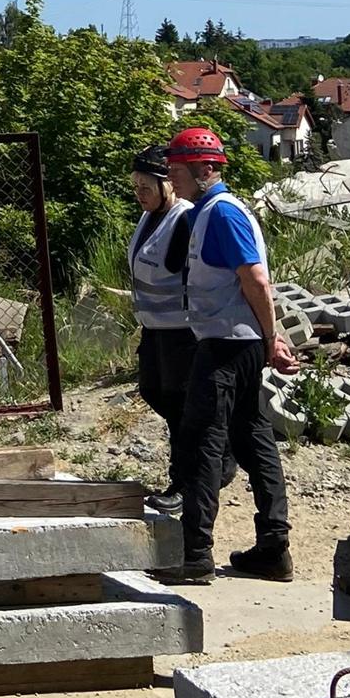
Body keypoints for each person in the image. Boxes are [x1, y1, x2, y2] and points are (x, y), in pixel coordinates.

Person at [162, 127, 300, 585]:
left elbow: (255, 279)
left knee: (201, 443)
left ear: (205, 169)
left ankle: (195, 555)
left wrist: (271, 338)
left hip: (226, 346)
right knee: (252, 439)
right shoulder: (206, 211)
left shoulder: (222, 212)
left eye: (177, 169)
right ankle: (272, 549)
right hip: (233, 342)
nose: (171, 178)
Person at [125, 146, 235, 516]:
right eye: (135, 186)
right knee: (155, 392)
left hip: (182, 333)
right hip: (156, 330)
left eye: (146, 186)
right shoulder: (151, 217)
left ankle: (186, 482)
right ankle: (216, 458)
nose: (139, 193)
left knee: (182, 410)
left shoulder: (185, 219)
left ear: (167, 185)